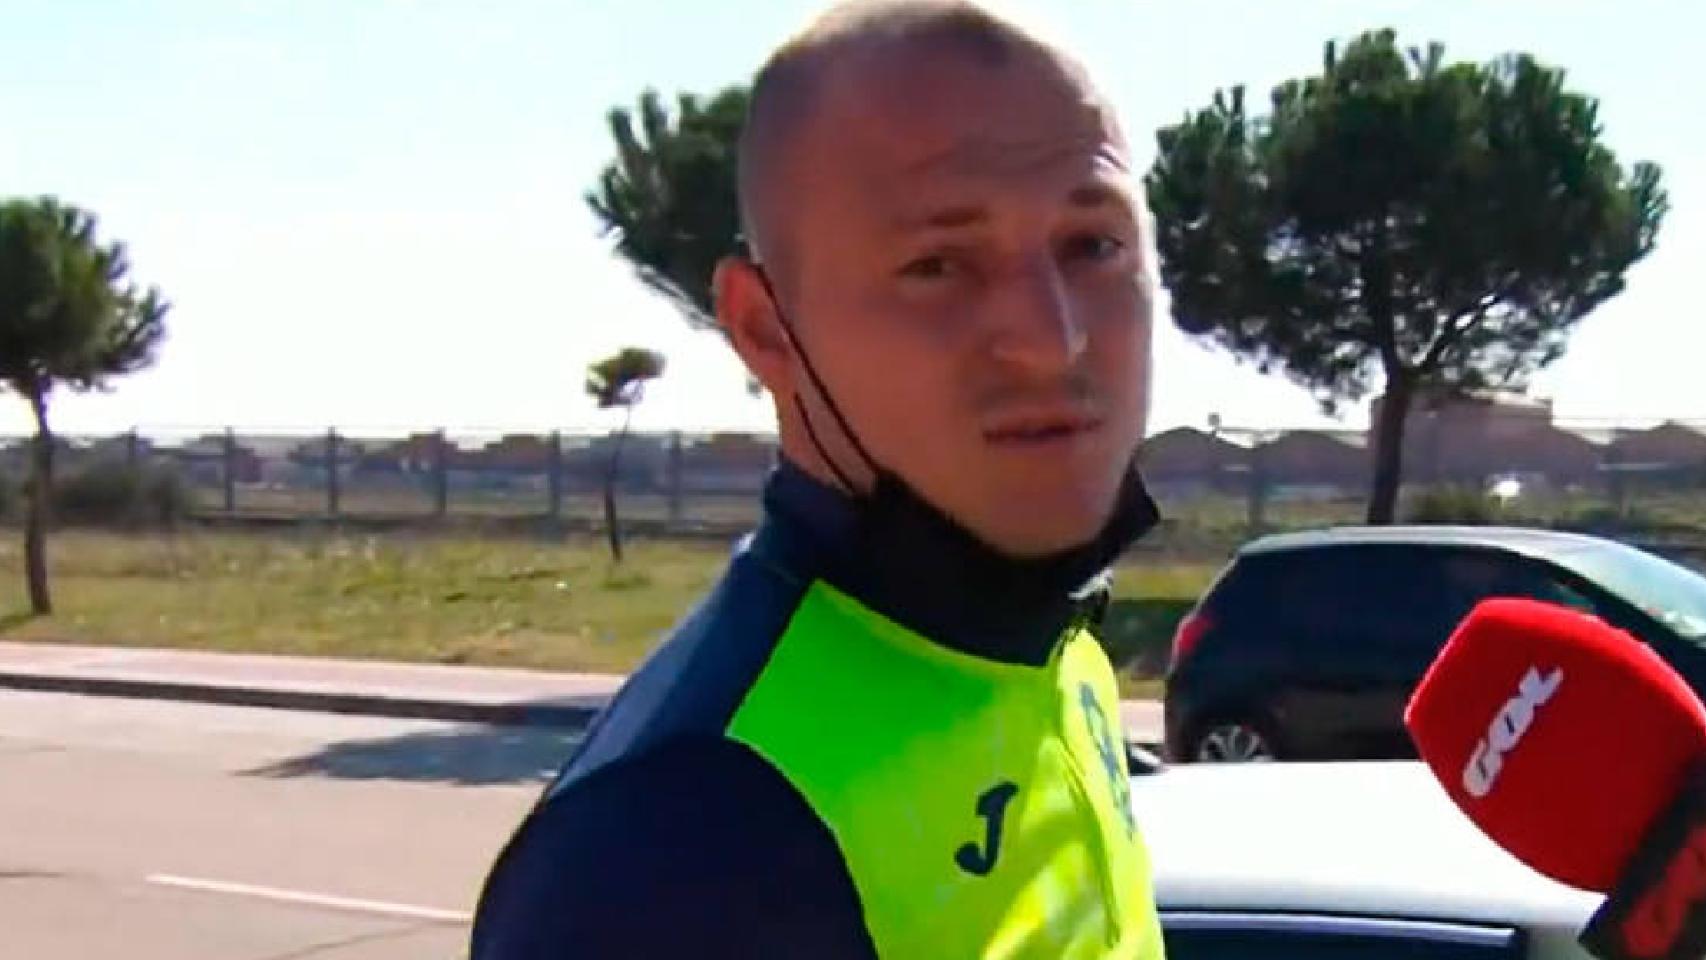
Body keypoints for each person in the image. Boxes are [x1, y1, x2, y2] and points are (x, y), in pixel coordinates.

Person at [470, 1, 1168, 956]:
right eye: (938, 264)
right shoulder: (682, 842)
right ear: (764, 330)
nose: (1053, 340)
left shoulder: (1053, 645)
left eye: (1093, 245)